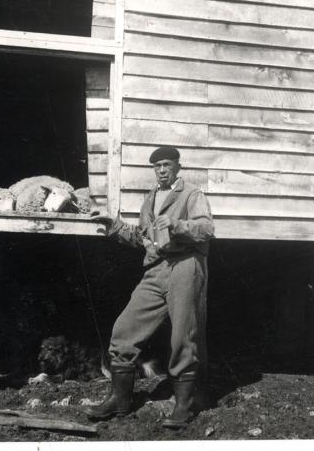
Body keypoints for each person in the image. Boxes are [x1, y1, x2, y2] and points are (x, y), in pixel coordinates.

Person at [84, 145, 215, 428]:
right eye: (157, 167)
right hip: (156, 269)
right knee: (124, 328)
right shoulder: (150, 199)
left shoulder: (191, 194)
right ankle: (120, 400)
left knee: (182, 335)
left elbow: (206, 229)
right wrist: (115, 227)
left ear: (178, 167)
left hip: (185, 265)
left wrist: (178, 224)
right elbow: (143, 238)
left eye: (167, 165)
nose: (162, 170)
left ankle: (184, 406)